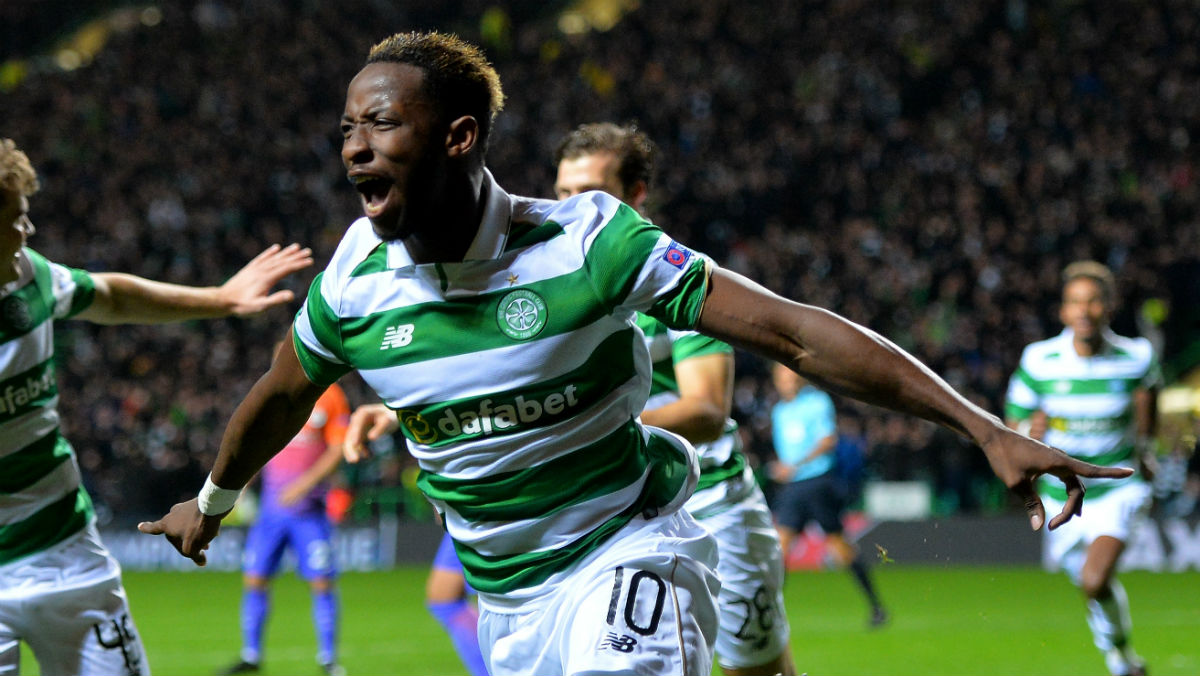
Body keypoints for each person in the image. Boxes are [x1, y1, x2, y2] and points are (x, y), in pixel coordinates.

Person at [138, 31, 1131, 676]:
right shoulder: (355, 277)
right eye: (346, 127)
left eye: (381, 122)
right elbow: (280, 390)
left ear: (459, 137)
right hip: (510, 603)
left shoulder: (589, 243)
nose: (353, 146)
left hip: (630, 548)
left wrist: (984, 427)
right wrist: (212, 501)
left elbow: (789, 327)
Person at [0, 137, 313, 676]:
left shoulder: (29, 276)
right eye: (15, 219)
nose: (27, 233)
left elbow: (111, 295)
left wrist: (221, 299)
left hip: (67, 555)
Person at [554, 122, 793, 675]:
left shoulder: (673, 276)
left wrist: (586, 436)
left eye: (590, 193)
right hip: (610, 517)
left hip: (710, 506)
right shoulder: (546, 286)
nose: (571, 209)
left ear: (636, 195)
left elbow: (708, 410)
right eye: (562, 194)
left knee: (759, 671)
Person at [1005, 261, 1159, 676]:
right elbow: (1011, 422)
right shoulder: (1039, 360)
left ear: (1108, 307)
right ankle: (1123, 659)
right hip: (1061, 496)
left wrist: (1147, 450)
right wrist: (1025, 431)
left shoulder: (1136, 356)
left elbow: (1149, 400)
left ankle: (1120, 660)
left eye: (1093, 301)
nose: (1084, 310)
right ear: (1063, 311)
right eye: (1075, 302)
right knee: (1093, 586)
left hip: (1118, 487)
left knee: (1094, 579)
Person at [221, 377, 350, 676]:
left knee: (321, 582)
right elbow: (254, 443)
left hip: (309, 512)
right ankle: (251, 655)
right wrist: (238, 486)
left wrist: (305, 485)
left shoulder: (330, 396)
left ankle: (328, 659)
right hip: (271, 512)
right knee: (254, 579)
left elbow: (337, 448)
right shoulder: (270, 391)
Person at [768, 364, 887, 628]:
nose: (785, 381)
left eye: (788, 375)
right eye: (780, 377)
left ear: (798, 377)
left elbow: (827, 441)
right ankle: (770, 614)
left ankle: (876, 606)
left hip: (818, 483)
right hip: (793, 487)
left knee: (839, 548)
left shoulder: (817, 402)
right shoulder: (779, 411)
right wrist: (782, 468)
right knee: (779, 549)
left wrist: (794, 465)